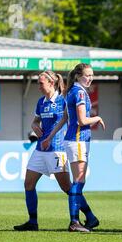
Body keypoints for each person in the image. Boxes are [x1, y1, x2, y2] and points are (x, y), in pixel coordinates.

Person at [42, 63, 105, 232]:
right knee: (78, 182)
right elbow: (82, 121)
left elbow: (64, 118)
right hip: (78, 140)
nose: (90, 78)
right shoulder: (79, 93)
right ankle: (74, 221)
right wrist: (97, 118)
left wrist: (49, 136)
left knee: (78, 182)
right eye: (87, 75)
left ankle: (89, 218)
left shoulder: (71, 91)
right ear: (78, 76)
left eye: (92, 75)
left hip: (72, 140)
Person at [14, 71, 71, 231]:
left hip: (57, 149)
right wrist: (34, 127)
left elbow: (71, 120)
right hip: (40, 149)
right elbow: (35, 121)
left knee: (67, 188)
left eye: (41, 83)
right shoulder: (41, 102)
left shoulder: (63, 100)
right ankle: (33, 222)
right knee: (28, 183)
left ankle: (89, 216)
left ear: (51, 83)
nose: (38, 86)